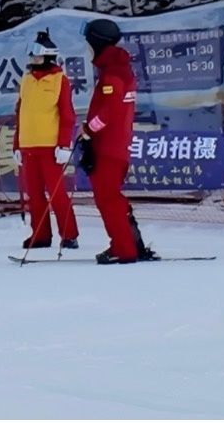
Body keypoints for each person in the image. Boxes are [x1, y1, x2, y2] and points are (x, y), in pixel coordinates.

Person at [77, 18, 157, 265]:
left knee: (107, 198)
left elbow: (109, 112)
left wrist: (89, 130)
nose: (87, 48)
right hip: (115, 146)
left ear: (97, 43)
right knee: (111, 198)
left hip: (108, 148)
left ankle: (124, 249)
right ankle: (128, 243)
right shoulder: (117, 68)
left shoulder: (113, 73)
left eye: (88, 43)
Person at [13, 29, 79, 250]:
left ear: (48, 56)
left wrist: (63, 144)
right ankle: (40, 235)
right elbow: (20, 113)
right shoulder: (27, 80)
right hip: (28, 145)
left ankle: (69, 234)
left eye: (37, 56)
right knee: (34, 194)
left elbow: (68, 115)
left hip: (50, 147)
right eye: (31, 56)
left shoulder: (61, 80)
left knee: (57, 193)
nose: (33, 60)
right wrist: (16, 145)